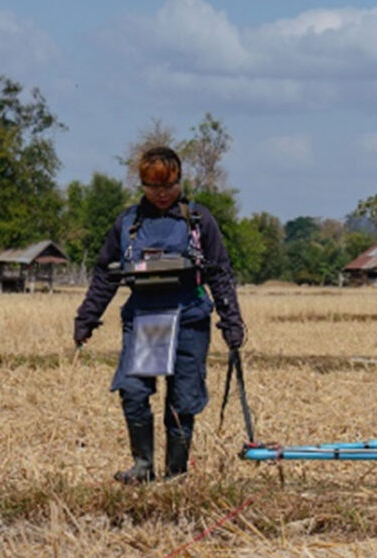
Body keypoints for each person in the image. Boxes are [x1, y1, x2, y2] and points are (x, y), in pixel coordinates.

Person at [74, 146, 246, 484]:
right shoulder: (128, 224)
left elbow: (220, 274)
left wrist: (232, 321)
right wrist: (86, 318)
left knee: (182, 400)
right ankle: (142, 466)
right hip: (145, 321)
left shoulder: (198, 221)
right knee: (134, 392)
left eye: (169, 186)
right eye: (154, 187)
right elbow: (105, 275)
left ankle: (177, 474)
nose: (163, 194)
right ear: (142, 185)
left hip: (189, 319)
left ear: (180, 181)